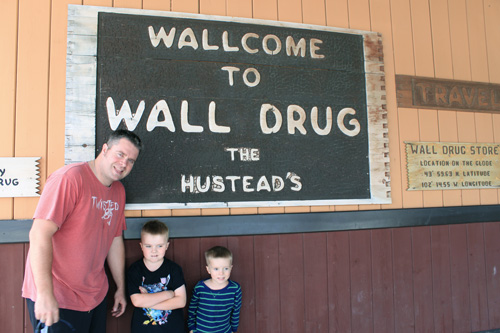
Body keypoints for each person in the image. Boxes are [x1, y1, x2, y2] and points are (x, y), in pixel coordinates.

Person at [22, 129, 143, 332]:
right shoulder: (70, 178)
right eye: (120, 154)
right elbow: (39, 233)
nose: (124, 163)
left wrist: (120, 287)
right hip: (58, 298)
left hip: (94, 297)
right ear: (105, 149)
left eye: (131, 160)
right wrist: (44, 294)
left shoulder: (118, 191)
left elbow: (114, 240)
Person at [127, 220, 187, 332]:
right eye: (148, 246)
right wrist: (168, 294)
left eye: (159, 246)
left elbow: (181, 301)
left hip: (172, 329)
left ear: (166, 246)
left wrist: (148, 301)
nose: (154, 251)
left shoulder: (173, 269)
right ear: (141, 246)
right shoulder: (135, 270)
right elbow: (137, 301)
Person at [188, 246, 242, 333]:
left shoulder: (235, 289)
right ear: (208, 269)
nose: (221, 273)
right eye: (216, 269)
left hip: (224, 331)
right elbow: (192, 309)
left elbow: (236, 312)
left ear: (231, 268)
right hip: (201, 331)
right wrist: (192, 328)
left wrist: (233, 330)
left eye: (226, 268)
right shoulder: (200, 287)